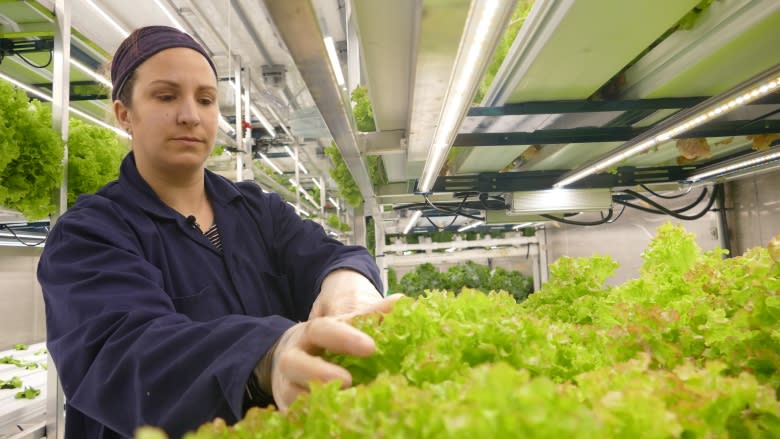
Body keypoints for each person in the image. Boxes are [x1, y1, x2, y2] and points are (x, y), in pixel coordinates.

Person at [37, 25, 397, 439]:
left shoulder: (258, 211)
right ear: (125, 114)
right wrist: (266, 356)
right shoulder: (88, 235)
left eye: (205, 99)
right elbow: (127, 353)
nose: (190, 114)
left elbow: (327, 254)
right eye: (166, 95)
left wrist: (348, 282)